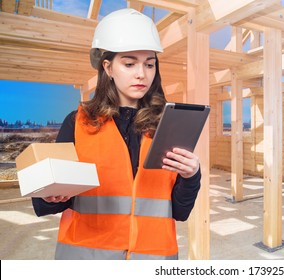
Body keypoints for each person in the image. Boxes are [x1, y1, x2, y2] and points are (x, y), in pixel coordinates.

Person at [31, 8, 201, 260]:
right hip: (88, 259)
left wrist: (192, 176)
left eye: (149, 64)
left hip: (153, 258)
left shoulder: (167, 125)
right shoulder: (77, 122)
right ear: (108, 68)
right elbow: (44, 204)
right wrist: (51, 193)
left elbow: (179, 211)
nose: (141, 73)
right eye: (129, 63)